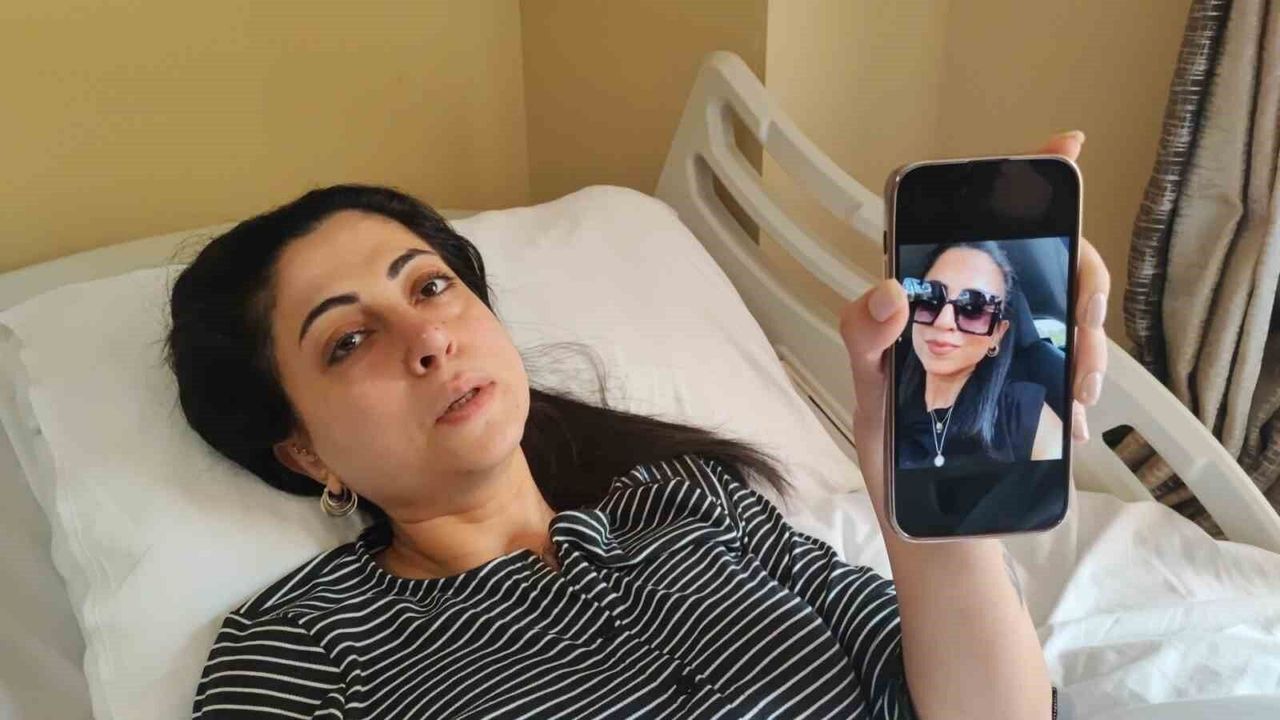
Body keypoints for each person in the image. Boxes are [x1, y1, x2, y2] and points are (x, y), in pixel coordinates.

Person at [172, 131, 1104, 719]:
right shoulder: (303, 648)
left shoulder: (689, 499)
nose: (427, 339)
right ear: (303, 450)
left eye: (431, 286)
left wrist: (914, 485)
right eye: (347, 341)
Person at [897, 242, 1064, 469]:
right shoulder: (888, 388)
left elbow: (1055, 487)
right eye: (931, 298)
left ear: (997, 334)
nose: (943, 321)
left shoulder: (1023, 413)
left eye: (973, 307)